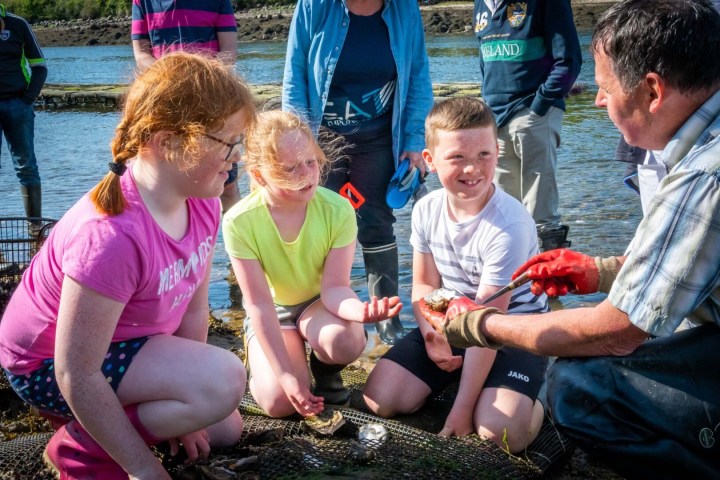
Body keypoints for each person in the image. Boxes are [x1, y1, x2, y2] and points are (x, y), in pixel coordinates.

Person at [427, 1, 720, 477]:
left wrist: (482, 325)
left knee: (577, 385)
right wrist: (599, 271)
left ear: (652, 90)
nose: (599, 101)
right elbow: (699, 261)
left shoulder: (703, 175)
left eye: (604, 88)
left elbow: (618, 332)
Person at [0, 52, 256, 479]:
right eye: (228, 143)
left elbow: (193, 311)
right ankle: (80, 450)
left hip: (119, 348)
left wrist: (187, 410)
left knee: (223, 425)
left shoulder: (205, 203)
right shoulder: (112, 237)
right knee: (224, 378)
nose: (237, 157)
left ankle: (111, 425)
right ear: (168, 142)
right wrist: (143, 468)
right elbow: (74, 371)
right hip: (46, 369)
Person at [363, 97, 549, 453]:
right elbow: (424, 286)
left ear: (497, 149)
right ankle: (467, 382)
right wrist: (432, 335)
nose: (472, 169)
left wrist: (460, 413)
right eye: (457, 158)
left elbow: (486, 322)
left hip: (512, 330)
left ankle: (539, 395)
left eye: (483, 155)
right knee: (381, 400)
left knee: (499, 436)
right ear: (430, 161)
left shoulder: (508, 224)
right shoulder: (427, 209)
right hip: (454, 321)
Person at [222, 110, 402, 417]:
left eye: (310, 162)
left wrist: (360, 312)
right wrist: (288, 378)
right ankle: (270, 364)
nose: (307, 174)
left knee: (346, 340)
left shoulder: (338, 210)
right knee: (279, 403)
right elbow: (260, 306)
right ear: (260, 175)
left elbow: (334, 288)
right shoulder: (239, 221)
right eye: (290, 169)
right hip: (272, 312)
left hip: (318, 305)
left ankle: (326, 373)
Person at [281, 0, 434, 346]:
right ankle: (324, 314)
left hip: (379, 138)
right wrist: (296, 142)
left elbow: (419, 77)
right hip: (320, 139)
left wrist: (414, 141)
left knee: (375, 220)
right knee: (320, 224)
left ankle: (387, 323)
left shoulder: (404, 9)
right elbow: (295, 78)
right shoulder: (314, 7)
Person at [473, 0, 582, 251]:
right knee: (504, 208)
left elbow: (569, 59)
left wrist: (541, 105)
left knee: (541, 212)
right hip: (495, 117)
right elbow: (484, 62)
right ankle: (514, 278)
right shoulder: (480, 4)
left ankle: (548, 282)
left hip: (533, 112)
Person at [131, 0, 243, 213]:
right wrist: (175, 81)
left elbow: (229, 53)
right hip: (166, 106)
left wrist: (194, 81)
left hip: (212, 103)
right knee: (164, 183)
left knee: (227, 184)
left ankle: (233, 246)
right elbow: (141, 55)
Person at [0, 3, 47, 221]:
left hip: (18, 106)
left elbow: (39, 67)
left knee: (27, 167)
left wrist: (27, 100)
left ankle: (35, 231)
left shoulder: (18, 24)